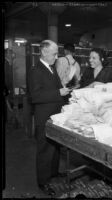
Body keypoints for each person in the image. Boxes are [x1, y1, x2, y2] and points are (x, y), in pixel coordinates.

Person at [28, 40, 71, 195]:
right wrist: (58, 93)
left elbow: (56, 88)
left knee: (55, 147)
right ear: (44, 52)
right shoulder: (35, 70)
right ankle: (43, 182)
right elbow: (35, 96)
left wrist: (65, 89)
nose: (56, 56)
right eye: (54, 53)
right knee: (44, 150)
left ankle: (53, 173)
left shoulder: (51, 69)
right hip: (44, 117)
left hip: (55, 116)